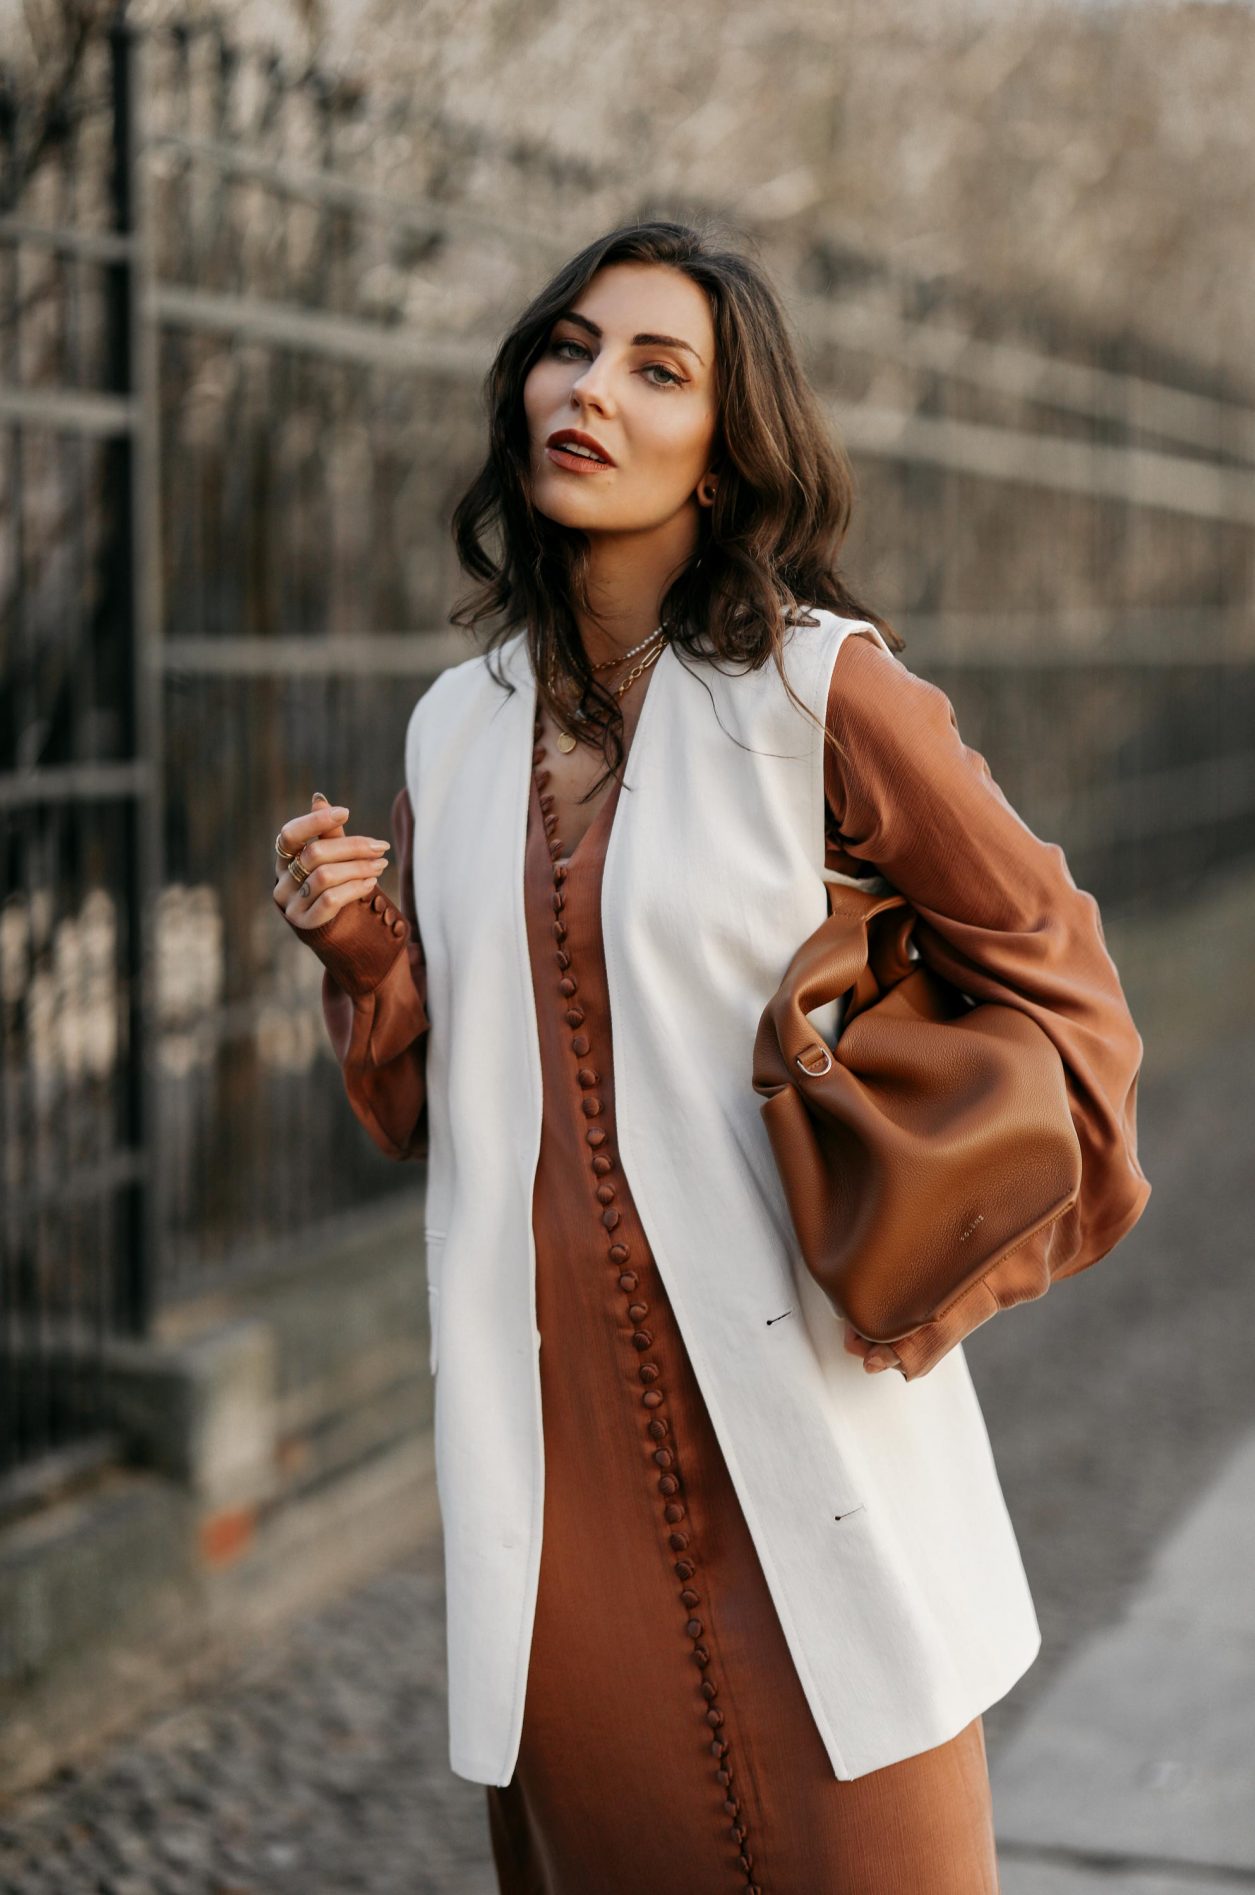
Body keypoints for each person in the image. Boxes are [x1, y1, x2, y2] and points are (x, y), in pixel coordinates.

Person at [272, 220, 1150, 1893]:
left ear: (728, 451)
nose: (588, 390)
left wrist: (938, 1244)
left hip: (807, 1434)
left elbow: (1068, 990)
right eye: (569, 347)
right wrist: (363, 952)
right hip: (561, 1476)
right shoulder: (452, 733)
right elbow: (421, 1107)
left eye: (655, 369)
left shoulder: (826, 692)